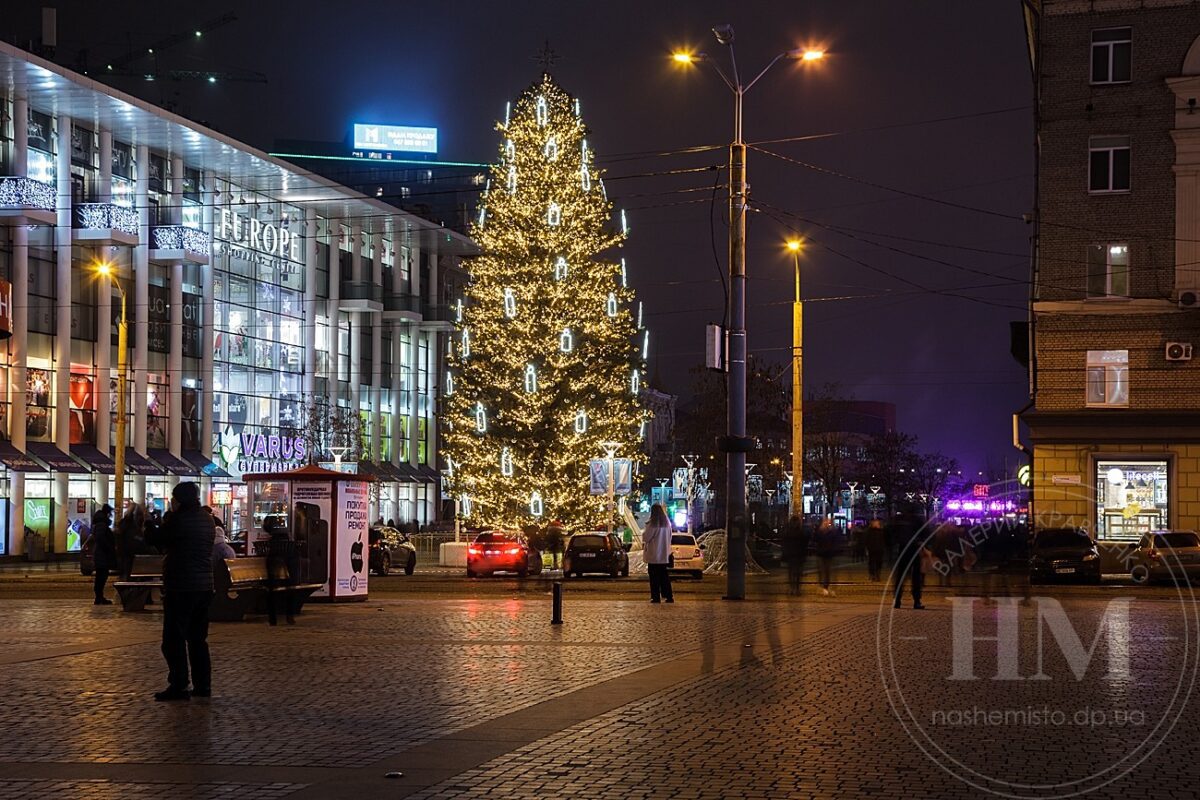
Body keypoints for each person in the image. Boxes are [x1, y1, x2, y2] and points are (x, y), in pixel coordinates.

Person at [147, 481, 215, 701]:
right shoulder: (206, 519)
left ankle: (179, 684)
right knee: (198, 639)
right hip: (204, 585)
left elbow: (157, 540)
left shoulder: (179, 520)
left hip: (181, 585)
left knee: (173, 639)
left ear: (179, 500)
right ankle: (203, 685)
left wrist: (150, 524)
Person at [264, 515, 299, 626]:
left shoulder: (273, 545)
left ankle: (273, 619)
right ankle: (289, 616)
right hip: (289, 578)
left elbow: (269, 562)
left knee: (272, 592)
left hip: (274, 578)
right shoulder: (289, 546)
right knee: (289, 591)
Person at [893, 519, 928, 610]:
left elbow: (891, 534)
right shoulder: (915, 520)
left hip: (904, 550)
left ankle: (898, 600)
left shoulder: (899, 520)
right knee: (915, 577)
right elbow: (925, 532)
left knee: (901, 577)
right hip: (912, 549)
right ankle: (916, 601)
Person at [642, 503, 674, 603]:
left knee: (654, 578)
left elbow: (646, 537)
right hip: (664, 555)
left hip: (654, 555)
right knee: (664, 577)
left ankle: (655, 597)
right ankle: (668, 596)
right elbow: (670, 537)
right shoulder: (667, 524)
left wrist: (644, 532)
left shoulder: (653, 523)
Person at [90, 504, 116, 605]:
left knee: (101, 576)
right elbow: (101, 539)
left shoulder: (100, 523)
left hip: (101, 554)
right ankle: (99, 597)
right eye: (110, 513)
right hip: (102, 555)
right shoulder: (102, 524)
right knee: (101, 576)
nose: (111, 516)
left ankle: (99, 597)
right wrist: (109, 547)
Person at [781, 515, 809, 596]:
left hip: (791, 554)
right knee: (797, 573)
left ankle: (792, 588)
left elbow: (784, 543)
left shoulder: (787, 531)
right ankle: (796, 589)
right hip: (798, 554)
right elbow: (805, 543)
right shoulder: (801, 531)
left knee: (791, 573)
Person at [814, 518, 838, 596]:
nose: (827, 524)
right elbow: (815, 540)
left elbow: (836, 541)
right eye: (825, 523)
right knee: (822, 572)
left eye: (828, 523)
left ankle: (828, 588)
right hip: (821, 554)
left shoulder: (832, 532)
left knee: (828, 572)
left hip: (829, 554)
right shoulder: (819, 532)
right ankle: (824, 587)